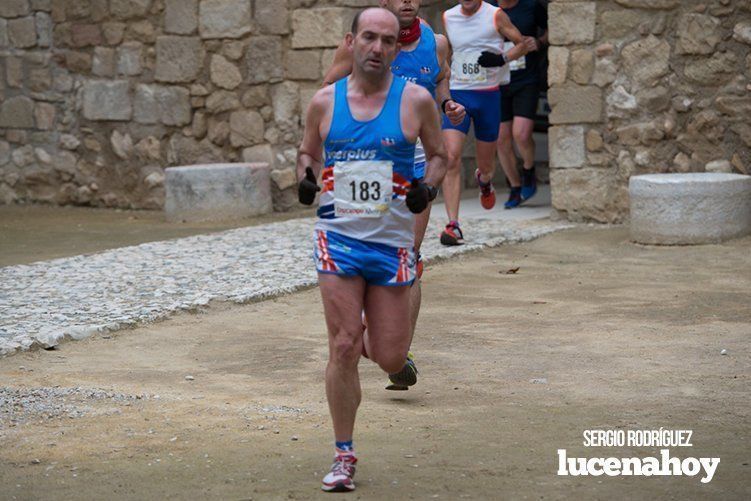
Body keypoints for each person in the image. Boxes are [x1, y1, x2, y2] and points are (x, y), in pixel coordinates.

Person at [297, 7, 447, 492]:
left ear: (397, 48)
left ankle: (375, 331)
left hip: (391, 244)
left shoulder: (417, 101)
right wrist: (304, 175)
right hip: (338, 240)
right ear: (351, 41)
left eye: (387, 41)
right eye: (369, 38)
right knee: (341, 346)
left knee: (388, 355)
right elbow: (308, 151)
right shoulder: (324, 102)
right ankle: (344, 454)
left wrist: (427, 186)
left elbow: (442, 155)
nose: (377, 48)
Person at [323, 0, 466, 391]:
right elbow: (328, 92)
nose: (407, 1)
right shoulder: (359, 44)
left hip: (416, 159)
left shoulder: (435, 42)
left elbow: (440, 80)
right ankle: (355, 338)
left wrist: (447, 103)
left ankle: (399, 353)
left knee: (409, 256)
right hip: (367, 162)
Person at [439, 0, 535, 245]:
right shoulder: (448, 17)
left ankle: (484, 181)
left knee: (487, 167)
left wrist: (501, 58)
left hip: (488, 96)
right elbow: (449, 52)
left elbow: (523, 44)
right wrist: (445, 80)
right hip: (459, 93)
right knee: (451, 157)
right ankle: (453, 225)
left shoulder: (496, 15)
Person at [493, 0, 548, 208]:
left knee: (521, 134)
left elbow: (554, 29)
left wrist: (540, 41)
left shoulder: (531, 6)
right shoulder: (487, 9)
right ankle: (515, 187)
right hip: (497, 81)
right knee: (501, 139)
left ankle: (528, 171)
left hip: (526, 80)